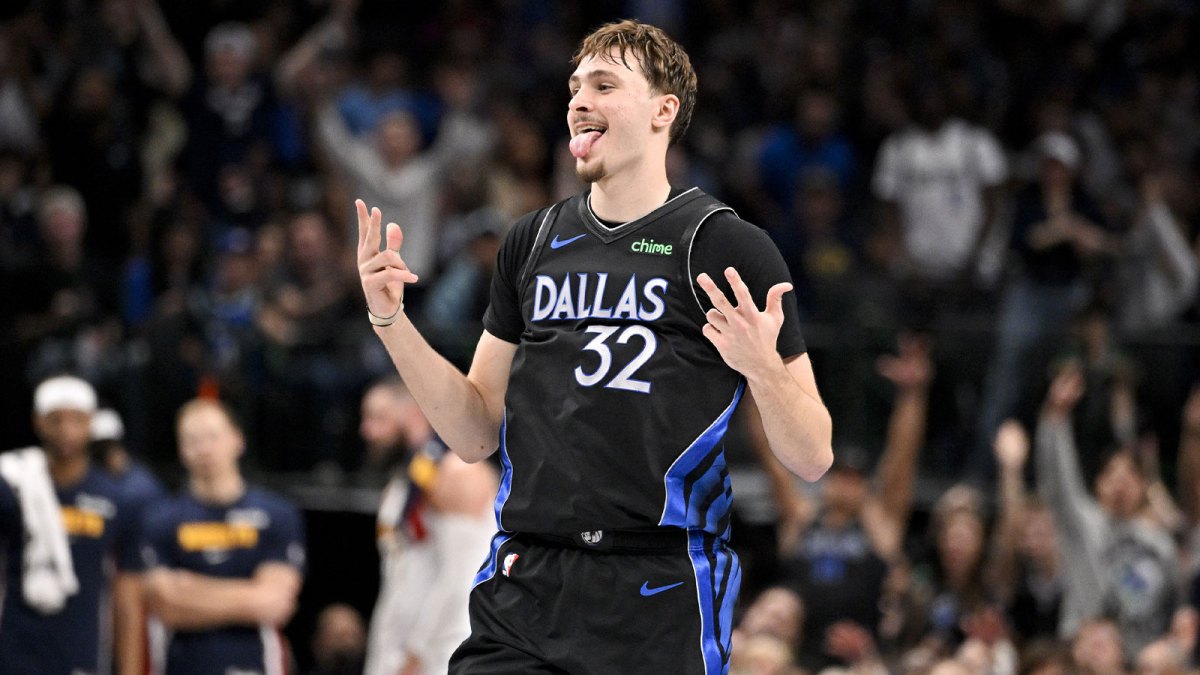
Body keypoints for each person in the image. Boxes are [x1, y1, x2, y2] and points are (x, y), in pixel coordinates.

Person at [354, 19, 832, 674]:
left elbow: (812, 455)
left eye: (604, 86)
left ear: (664, 111)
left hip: (659, 583)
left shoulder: (727, 246)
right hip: (528, 577)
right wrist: (391, 320)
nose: (580, 100)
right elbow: (472, 432)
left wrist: (762, 370)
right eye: (576, 87)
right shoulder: (530, 241)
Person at [140, 398, 306, 675]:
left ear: (237, 440)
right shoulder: (160, 519)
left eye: (213, 436)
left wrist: (189, 588)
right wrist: (249, 595)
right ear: (181, 450)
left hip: (255, 665)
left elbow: (275, 603)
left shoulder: (277, 514)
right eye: (192, 440)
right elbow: (166, 606)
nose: (204, 448)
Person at [0, 375, 143, 674]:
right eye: (56, 420)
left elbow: (127, 598)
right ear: (38, 422)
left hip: (82, 650)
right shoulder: (13, 486)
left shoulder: (116, 499)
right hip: (14, 647)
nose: (66, 430)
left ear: (91, 422)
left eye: (76, 419)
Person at [359, 378, 499, 675]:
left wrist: (416, 655)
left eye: (379, 418)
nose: (367, 430)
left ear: (414, 414)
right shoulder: (404, 482)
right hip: (397, 646)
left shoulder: (458, 472)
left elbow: (464, 578)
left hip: (443, 651)